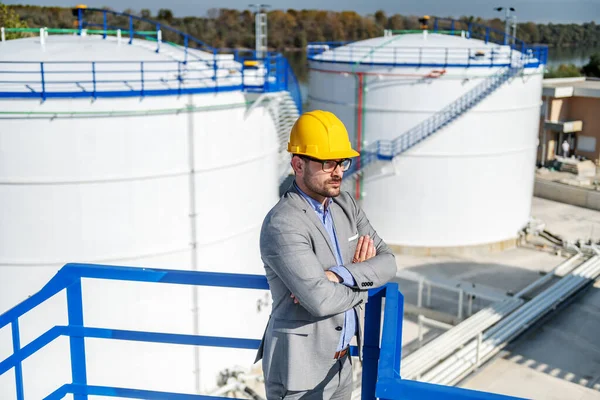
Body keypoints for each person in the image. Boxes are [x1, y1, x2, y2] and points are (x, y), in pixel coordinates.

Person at [255, 110, 397, 399]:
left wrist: (341, 275)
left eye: (342, 162)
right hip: (300, 372)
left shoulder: (345, 204)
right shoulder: (283, 223)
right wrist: (363, 285)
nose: (339, 172)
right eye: (328, 163)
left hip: (343, 363)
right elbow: (319, 301)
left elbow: (388, 262)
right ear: (298, 164)